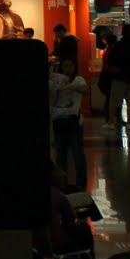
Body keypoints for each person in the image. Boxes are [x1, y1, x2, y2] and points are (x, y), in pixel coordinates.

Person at [49, 55, 87, 188]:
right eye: (65, 66)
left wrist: (69, 87)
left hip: (74, 123)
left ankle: (81, 185)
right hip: (59, 122)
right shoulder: (56, 81)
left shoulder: (78, 80)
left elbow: (84, 89)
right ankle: (63, 185)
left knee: (77, 155)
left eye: (70, 66)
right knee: (61, 156)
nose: (68, 69)